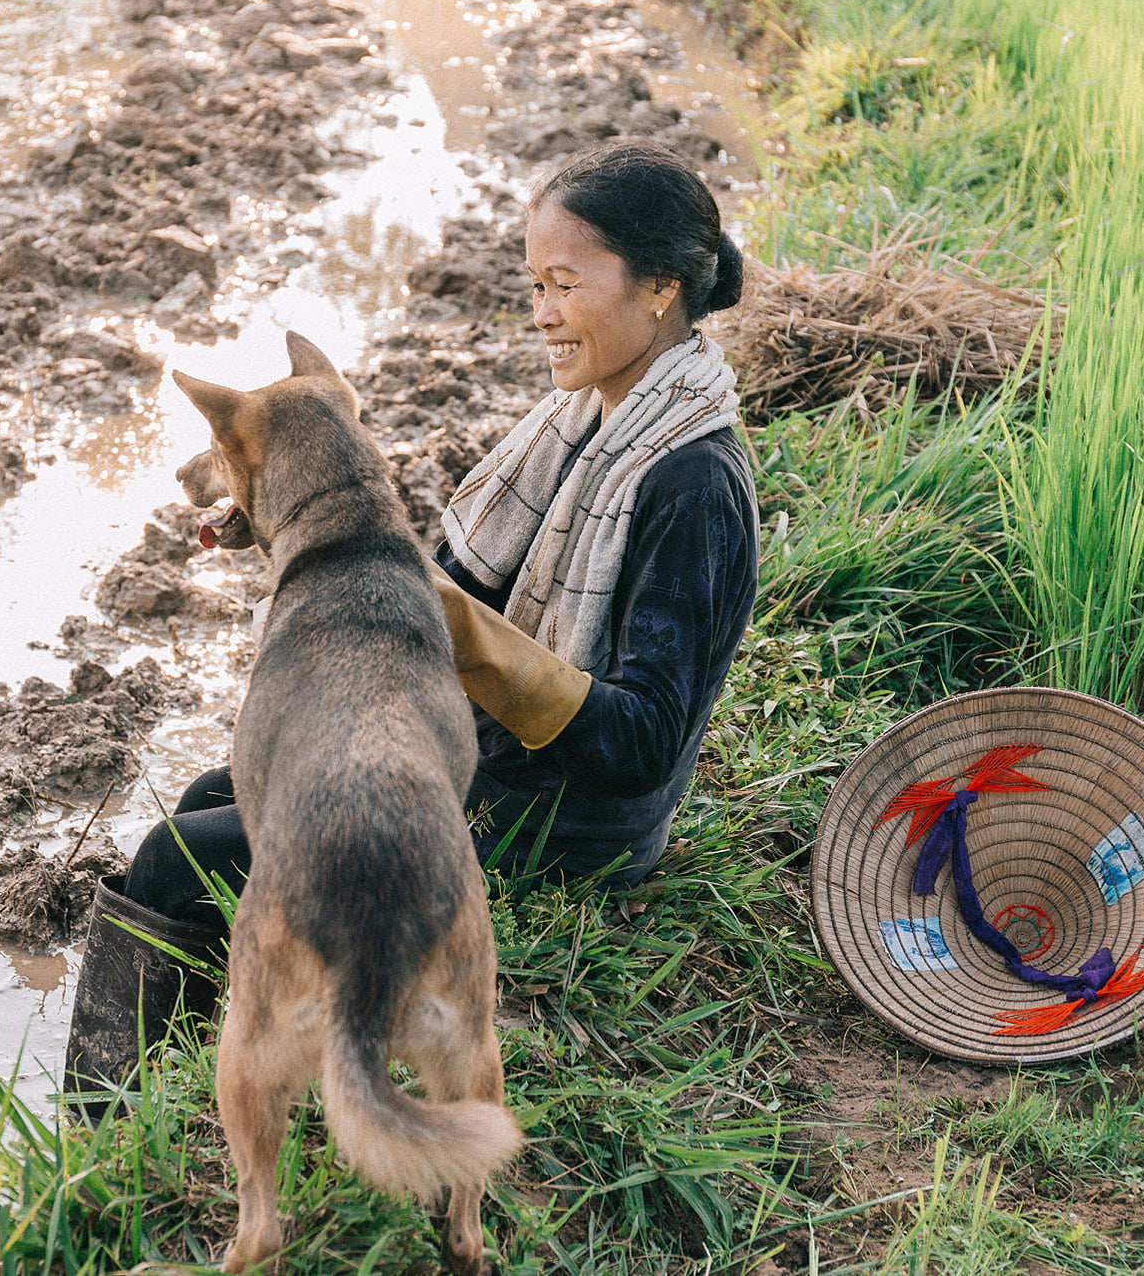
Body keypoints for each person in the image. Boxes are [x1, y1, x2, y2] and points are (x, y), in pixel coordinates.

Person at [64, 137, 761, 1095]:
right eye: (535, 284)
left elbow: (638, 746)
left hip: (564, 821)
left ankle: (108, 1121)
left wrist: (447, 621)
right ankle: (196, 1068)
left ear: (660, 286)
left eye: (565, 284)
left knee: (179, 854)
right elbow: (437, 579)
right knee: (206, 797)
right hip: (484, 750)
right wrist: (283, 509)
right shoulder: (587, 418)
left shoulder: (693, 483)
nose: (542, 314)